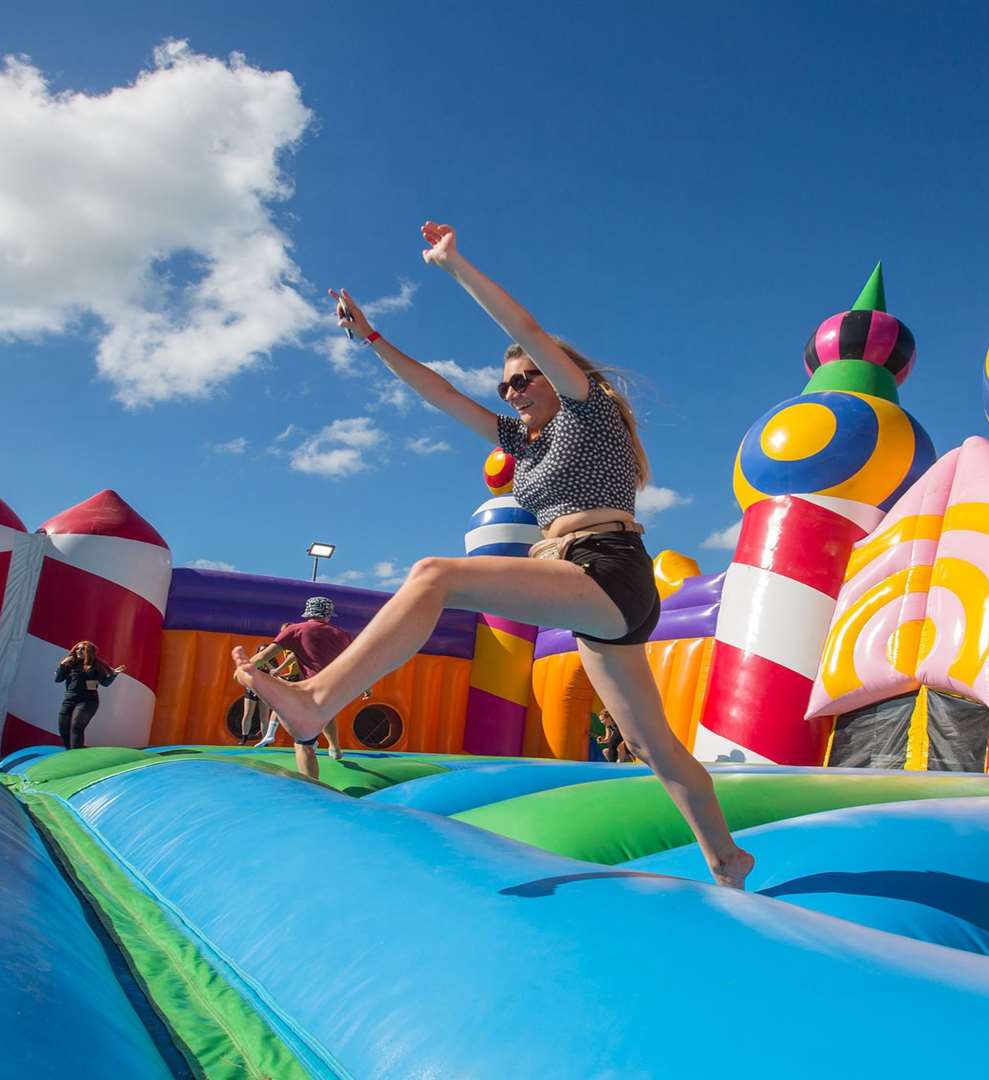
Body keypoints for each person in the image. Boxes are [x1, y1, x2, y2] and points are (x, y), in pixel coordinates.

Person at [238, 222, 753, 888]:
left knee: (434, 575)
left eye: (522, 378)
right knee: (656, 747)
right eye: (506, 385)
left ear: (558, 375)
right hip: (583, 583)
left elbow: (531, 328)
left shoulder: (586, 411)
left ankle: (315, 699)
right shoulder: (524, 442)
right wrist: (370, 339)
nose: (510, 392)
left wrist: (455, 267)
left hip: (606, 565)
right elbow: (442, 394)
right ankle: (727, 858)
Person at [234, 598, 353, 781]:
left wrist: (244, 668)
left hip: (310, 688)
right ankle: (334, 747)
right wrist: (366, 686)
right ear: (328, 615)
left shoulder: (295, 630)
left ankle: (312, 783)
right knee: (327, 714)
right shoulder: (342, 634)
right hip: (335, 687)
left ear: (307, 612)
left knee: (303, 743)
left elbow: (265, 655)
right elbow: (353, 662)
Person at [55, 641, 124, 750]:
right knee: (63, 728)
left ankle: (75, 754)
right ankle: (69, 752)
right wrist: (62, 665)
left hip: (87, 701)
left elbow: (105, 683)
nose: (78, 651)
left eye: (82, 649)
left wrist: (114, 675)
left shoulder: (95, 665)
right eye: (77, 649)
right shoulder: (70, 663)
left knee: (76, 727)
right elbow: (58, 679)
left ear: (89, 652)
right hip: (69, 699)